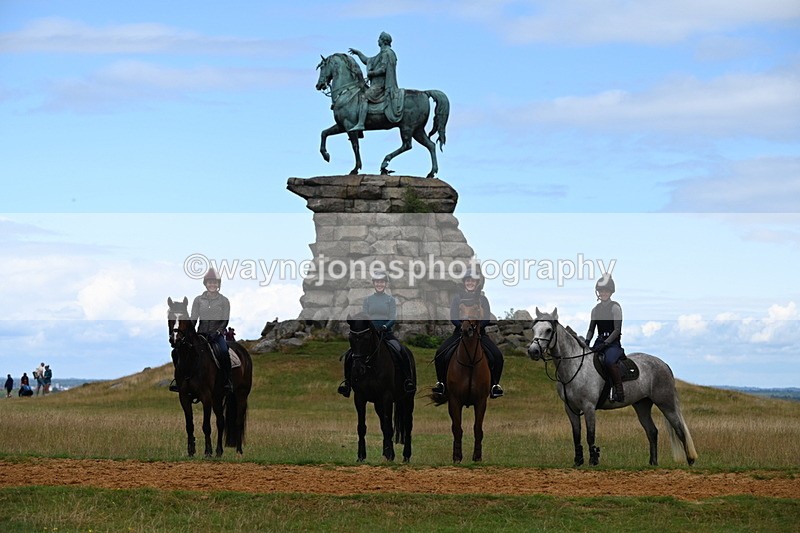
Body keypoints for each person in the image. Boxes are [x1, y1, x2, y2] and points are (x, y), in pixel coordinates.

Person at [338, 270, 416, 397]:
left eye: (382, 282)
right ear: (374, 284)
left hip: (386, 334)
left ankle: (407, 380)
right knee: (350, 355)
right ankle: (347, 383)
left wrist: (385, 326)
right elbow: (364, 317)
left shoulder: (390, 300)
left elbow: (392, 317)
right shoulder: (368, 300)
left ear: (385, 284)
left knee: (401, 350)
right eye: (377, 282)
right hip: (370, 335)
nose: (380, 284)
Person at [432, 270, 505, 399]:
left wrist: (477, 328)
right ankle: (442, 383)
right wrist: (462, 327)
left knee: (497, 356)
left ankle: (495, 385)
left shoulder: (483, 299)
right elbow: (454, 317)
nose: (470, 283)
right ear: (464, 282)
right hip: (460, 333)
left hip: (479, 334)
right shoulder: (457, 299)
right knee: (440, 353)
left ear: (477, 283)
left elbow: (486, 318)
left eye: (473, 281)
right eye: (468, 280)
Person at [169, 268, 232, 393]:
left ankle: (227, 381)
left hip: (216, 336)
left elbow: (225, 320)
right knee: (176, 352)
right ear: (205, 284)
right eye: (210, 282)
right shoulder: (198, 300)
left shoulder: (224, 301)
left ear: (218, 284)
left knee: (224, 352)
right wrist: (187, 333)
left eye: (215, 282)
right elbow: (193, 319)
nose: (212, 285)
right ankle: (179, 380)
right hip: (201, 334)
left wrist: (219, 331)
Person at [348, 31, 403, 131]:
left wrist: (371, 73)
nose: (378, 40)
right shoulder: (381, 53)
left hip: (380, 85)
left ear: (383, 41)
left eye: (379, 39)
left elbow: (383, 69)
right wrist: (358, 53)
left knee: (364, 97)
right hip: (376, 85)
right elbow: (367, 60)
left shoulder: (387, 53)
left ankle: (360, 124)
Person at [585, 274, 625, 403]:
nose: (603, 293)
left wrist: (607, 343)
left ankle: (619, 391)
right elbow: (591, 329)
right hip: (599, 341)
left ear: (611, 292)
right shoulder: (595, 310)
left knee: (609, 362)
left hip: (613, 343)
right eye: (601, 291)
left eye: (606, 291)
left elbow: (617, 330)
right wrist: (587, 341)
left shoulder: (615, 308)